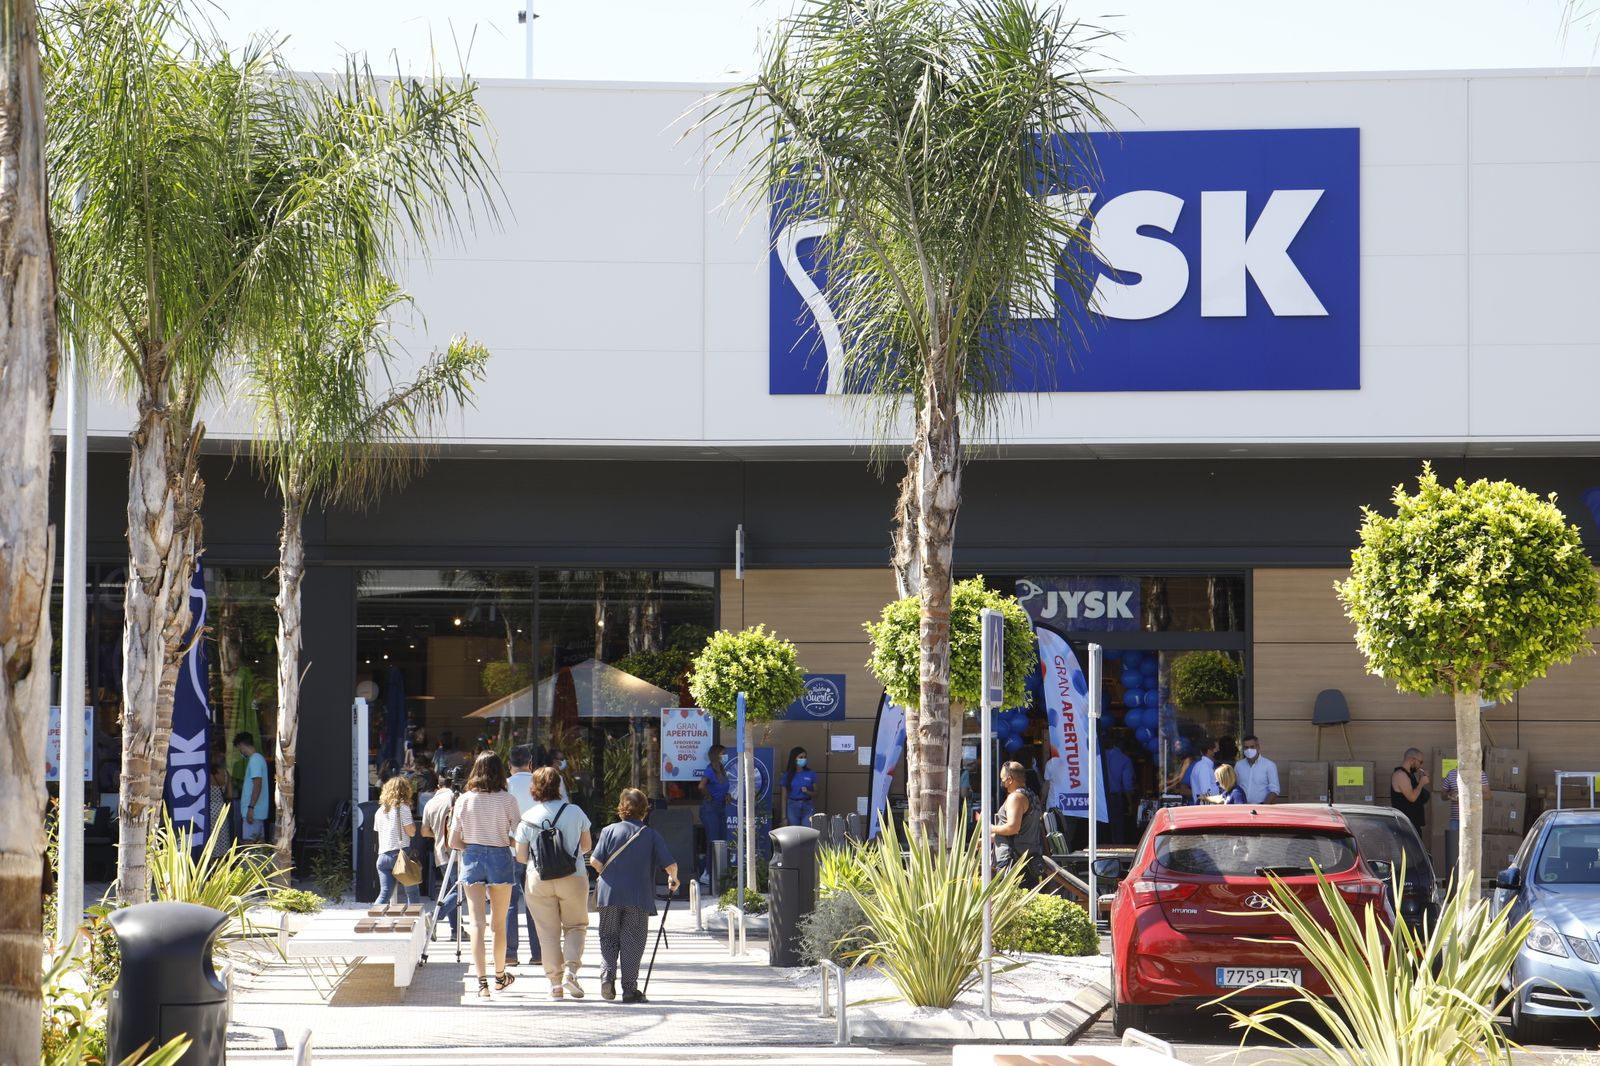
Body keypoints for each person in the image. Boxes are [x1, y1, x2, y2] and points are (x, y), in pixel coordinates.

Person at [590, 788, 679, 1004]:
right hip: (638, 897)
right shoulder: (650, 834)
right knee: (632, 942)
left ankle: (607, 977)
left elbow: (595, 861)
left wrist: (611, 875)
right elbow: (670, 865)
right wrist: (673, 879)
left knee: (608, 937)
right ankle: (629, 990)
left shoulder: (609, 831)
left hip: (609, 895)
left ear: (622, 808)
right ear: (644, 810)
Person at [514, 767, 594, 999]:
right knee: (576, 925)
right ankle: (571, 971)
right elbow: (586, 846)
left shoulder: (528, 818)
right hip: (573, 876)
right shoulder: (575, 811)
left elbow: (520, 856)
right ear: (558, 786)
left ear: (534, 788)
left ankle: (555, 985)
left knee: (547, 933)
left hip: (538, 880)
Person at [450, 751, 522, 998]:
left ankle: (482, 984)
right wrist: (501, 839)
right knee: (498, 924)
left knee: (476, 923)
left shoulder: (464, 800)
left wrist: (473, 844)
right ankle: (500, 976)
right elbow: (517, 837)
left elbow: (453, 841)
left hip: (472, 857)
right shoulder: (508, 800)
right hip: (500, 856)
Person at [501, 746, 539, 968]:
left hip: (511, 850)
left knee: (509, 903)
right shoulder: (540, 783)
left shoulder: (504, 786)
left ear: (509, 764)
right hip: (537, 852)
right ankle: (539, 953)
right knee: (536, 903)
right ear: (530, 762)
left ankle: (509, 953)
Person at [421, 766, 464, 941]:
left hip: (440, 853)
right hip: (456, 851)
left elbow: (424, 831)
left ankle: (456, 931)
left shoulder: (430, 803)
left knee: (451, 891)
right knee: (462, 890)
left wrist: (439, 835)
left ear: (438, 786)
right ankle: (435, 915)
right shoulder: (457, 799)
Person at [986, 762, 1044, 887]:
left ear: (1010, 779)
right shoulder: (1033, 796)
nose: (1002, 783)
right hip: (1029, 858)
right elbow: (1023, 830)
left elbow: (1013, 828)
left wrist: (988, 827)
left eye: (1002, 779)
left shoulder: (1015, 798)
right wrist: (990, 838)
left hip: (1012, 861)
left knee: (1008, 904)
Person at [374, 775, 419, 905]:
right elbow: (411, 832)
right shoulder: (403, 808)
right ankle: (415, 922)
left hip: (382, 857)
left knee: (385, 893)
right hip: (400, 856)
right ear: (405, 790)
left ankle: (375, 920)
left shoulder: (380, 811)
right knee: (412, 893)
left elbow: (379, 831)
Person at [1442, 763, 1491, 879]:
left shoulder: (1480, 774)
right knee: (1454, 852)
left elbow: (1488, 795)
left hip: (1472, 821)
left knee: (1471, 852)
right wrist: (1450, 794)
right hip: (1455, 820)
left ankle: (1470, 880)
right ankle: (1455, 881)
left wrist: (1470, 796)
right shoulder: (1452, 774)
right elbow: (1442, 795)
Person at [698, 744, 730, 885]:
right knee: (713, 841)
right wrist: (709, 796)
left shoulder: (722, 770)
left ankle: (716, 872)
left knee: (721, 840)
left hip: (721, 808)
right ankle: (707, 873)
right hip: (710, 809)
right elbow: (701, 786)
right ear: (716, 754)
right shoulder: (710, 770)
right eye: (723, 753)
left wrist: (727, 795)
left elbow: (722, 788)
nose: (725, 756)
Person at [234, 732, 270, 843]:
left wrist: (251, 808)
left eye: (239, 748)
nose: (240, 751)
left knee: (250, 846)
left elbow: (257, 784)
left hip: (253, 812)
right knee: (258, 846)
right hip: (257, 811)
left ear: (241, 745)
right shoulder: (258, 759)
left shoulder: (255, 760)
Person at [1102, 732, 1136, 845]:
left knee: (1099, 830)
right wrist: (1131, 804)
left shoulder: (1097, 756)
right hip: (1114, 798)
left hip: (1098, 797)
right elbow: (1127, 785)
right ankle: (1118, 853)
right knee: (1117, 829)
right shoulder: (1124, 759)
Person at [1390, 748, 1431, 835]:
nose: (1420, 766)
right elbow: (1412, 798)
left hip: (1413, 824)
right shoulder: (1400, 775)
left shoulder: (1410, 775)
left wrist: (1420, 781)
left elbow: (1417, 794)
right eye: (1420, 762)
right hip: (1405, 825)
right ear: (1412, 759)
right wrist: (1421, 783)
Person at [1234, 734, 1280, 805]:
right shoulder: (1239, 765)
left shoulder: (1269, 765)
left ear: (1258, 747)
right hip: (1242, 807)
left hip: (1261, 807)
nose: (1249, 750)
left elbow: (1274, 790)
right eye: (1246, 747)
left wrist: (1264, 806)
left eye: (1252, 747)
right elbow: (1235, 785)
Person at [780, 747, 817, 827]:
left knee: (807, 833)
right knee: (794, 834)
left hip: (807, 806)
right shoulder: (787, 775)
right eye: (800, 757)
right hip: (792, 806)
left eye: (805, 757)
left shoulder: (811, 774)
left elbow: (816, 793)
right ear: (794, 759)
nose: (803, 759)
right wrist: (783, 817)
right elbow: (783, 797)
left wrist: (807, 792)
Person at [207, 758, 234, 853]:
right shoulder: (225, 773)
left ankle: (212, 862)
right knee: (222, 836)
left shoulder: (206, 775)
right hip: (222, 809)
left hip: (209, 809)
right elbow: (230, 795)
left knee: (211, 837)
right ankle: (223, 860)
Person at [1189, 737, 1220, 804]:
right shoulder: (1204, 767)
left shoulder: (1206, 766)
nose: (1218, 750)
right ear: (1209, 751)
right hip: (1206, 810)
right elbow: (1206, 793)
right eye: (1216, 749)